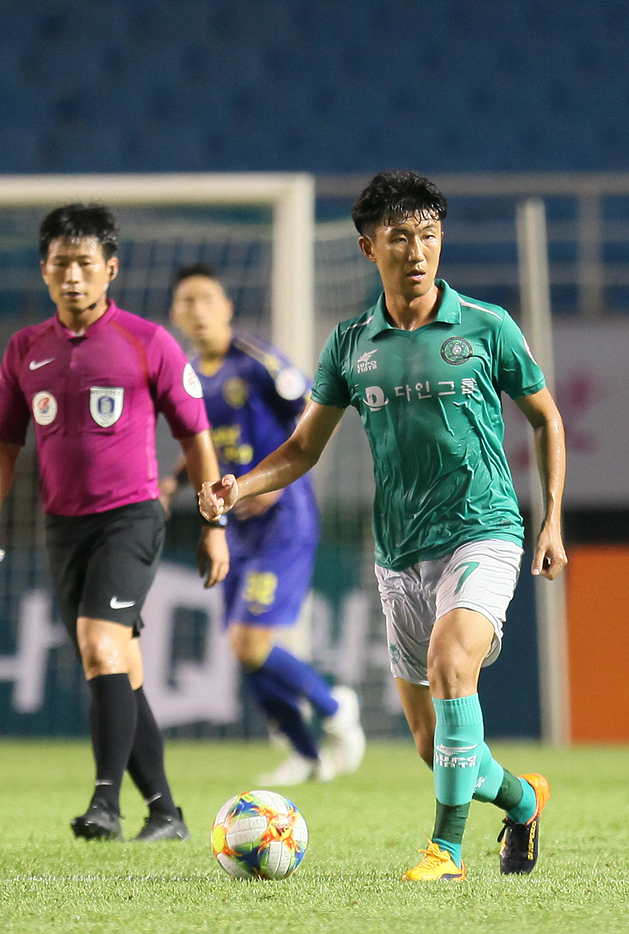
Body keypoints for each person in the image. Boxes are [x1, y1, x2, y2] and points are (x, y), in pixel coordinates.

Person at [200, 170, 567, 881]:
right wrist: (238, 486)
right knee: (433, 745)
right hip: (399, 551)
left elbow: (546, 418)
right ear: (369, 248)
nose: (417, 250)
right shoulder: (350, 343)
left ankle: (446, 852)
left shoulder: (487, 325)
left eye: (429, 234)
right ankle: (524, 801)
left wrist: (551, 520)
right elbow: (303, 448)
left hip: (484, 529)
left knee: (452, 665)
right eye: (400, 236)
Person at [0, 203, 229, 843]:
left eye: (85, 263)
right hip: (63, 527)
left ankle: (105, 803)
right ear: (44, 270)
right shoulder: (25, 349)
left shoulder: (148, 341)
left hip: (131, 518)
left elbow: (195, 438)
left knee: (96, 644)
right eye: (61, 264)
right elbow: (1, 442)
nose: (72, 276)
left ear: (110, 269)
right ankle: (166, 813)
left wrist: (213, 524)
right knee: (119, 668)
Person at [166, 262, 365, 785]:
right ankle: (308, 755)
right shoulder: (189, 377)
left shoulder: (255, 360)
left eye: (207, 298)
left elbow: (311, 410)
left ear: (227, 307)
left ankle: (335, 708)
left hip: (282, 519)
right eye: (187, 301)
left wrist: (274, 482)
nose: (198, 309)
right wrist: (172, 482)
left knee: (248, 643)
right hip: (235, 526)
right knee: (243, 649)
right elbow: (204, 447)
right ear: (176, 315)